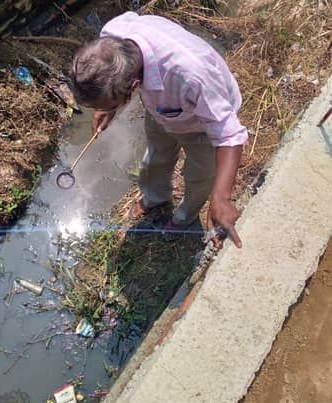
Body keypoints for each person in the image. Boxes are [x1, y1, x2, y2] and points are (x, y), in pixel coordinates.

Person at [71, 12, 248, 248]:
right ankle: (155, 198)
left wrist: (222, 197)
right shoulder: (112, 35)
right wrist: (107, 107)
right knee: (155, 158)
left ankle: (184, 217)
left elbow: (229, 135)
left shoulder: (191, 75)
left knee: (200, 175)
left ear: (134, 86)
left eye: (110, 104)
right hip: (163, 110)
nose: (103, 110)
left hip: (203, 120)